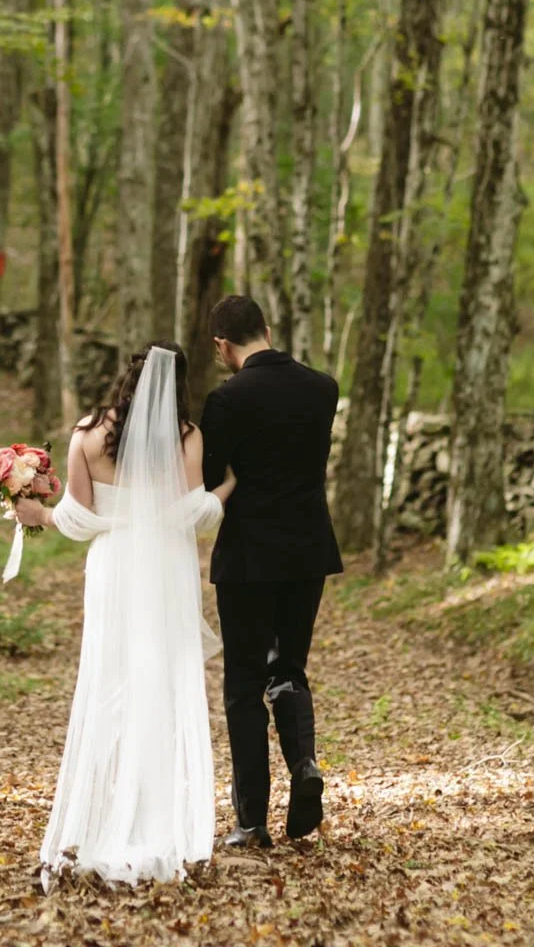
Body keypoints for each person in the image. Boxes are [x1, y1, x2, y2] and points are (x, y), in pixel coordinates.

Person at [14, 341, 235, 887]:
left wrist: (36, 511)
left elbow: (79, 517)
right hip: (162, 568)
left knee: (111, 679)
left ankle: (103, 816)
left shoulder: (86, 434)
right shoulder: (186, 436)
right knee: (161, 683)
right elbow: (191, 513)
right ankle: (158, 819)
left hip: (113, 568)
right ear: (177, 385)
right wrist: (229, 486)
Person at [200, 294, 343, 849]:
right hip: (308, 549)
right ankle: (303, 765)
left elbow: (214, 476)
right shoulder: (322, 388)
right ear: (266, 328)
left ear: (221, 344)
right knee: (290, 669)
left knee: (242, 686)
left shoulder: (227, 400)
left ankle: (252, 821)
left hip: (247, 557)